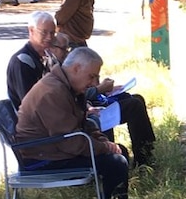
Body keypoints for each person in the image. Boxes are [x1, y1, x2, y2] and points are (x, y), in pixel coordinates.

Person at [15, 47, 144, 199]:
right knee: (116, 161)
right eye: (92, 76)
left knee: (118, 151)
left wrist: (102, 141)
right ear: (76, 68)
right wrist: (104, 147)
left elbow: (84, 123)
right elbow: (71, 143)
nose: (94, 83)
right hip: (41, 158)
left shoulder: (67, 85)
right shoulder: (53, 91)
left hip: (52, 147)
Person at [41, 31, 157, 167]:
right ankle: (141, 160)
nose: (67, 53)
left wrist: (94, 100)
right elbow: (71, 101)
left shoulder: (62, 68)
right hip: (72, 130)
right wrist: (99, 91)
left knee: (136, 99)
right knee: (133, 106)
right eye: (63, 49)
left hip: (90, 107)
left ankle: (145, 153)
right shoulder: (54, 72)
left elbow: (78, 95)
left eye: (68, 48)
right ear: (51, 48)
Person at [6, 11, 55, 109]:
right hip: (31, 120)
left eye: (52, 33)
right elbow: (29, 103)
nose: (49, 37)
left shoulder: (48, 57)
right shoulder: (21, 62)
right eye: (44, 32)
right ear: (31, 30)